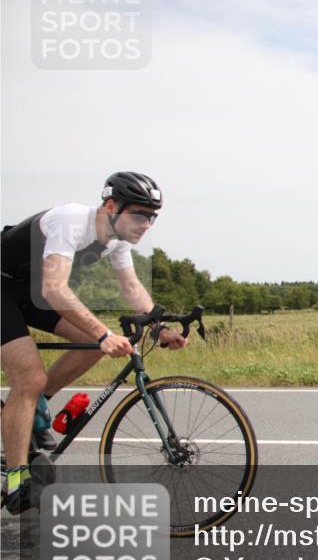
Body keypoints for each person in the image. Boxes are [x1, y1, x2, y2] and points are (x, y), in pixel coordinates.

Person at [0, 172, 187, 513]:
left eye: (152, 217)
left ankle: (33, 408)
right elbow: (54, 289)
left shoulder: (117, 240)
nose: (147, 224)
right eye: (140, 214)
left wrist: (159, 329)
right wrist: (104, 334)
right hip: (4, 289)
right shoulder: (70, 221)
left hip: (28, 292)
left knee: (88, 346)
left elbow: (131, 287)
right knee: (29, 377)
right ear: (111, 206)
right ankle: (16, 479)